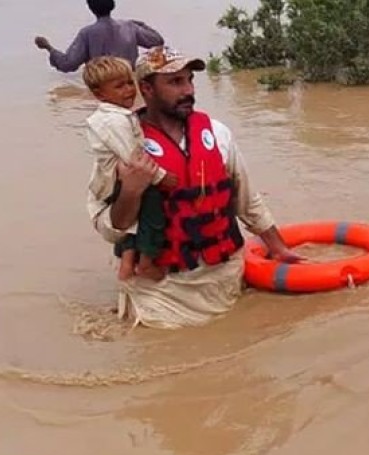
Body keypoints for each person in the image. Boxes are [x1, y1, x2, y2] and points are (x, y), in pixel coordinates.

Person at [86, 46, 301, 329]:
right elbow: (110, 228)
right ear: (146, 89)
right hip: (162, 294)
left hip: (224, 279)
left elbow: (246, 201)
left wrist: (277, 247)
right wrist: (131, 190)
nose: (188, 90)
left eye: (189, 80)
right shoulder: (122, 146)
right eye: (175, 82)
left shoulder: (217, 134)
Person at [82, 56, 174, 281]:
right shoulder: (113, 122)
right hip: (118, 181)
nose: (128, 90)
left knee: (134, 217)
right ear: (100, 94)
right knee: (152, 211)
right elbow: (134, 157)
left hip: (114, 180)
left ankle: (126, 264)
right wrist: (162, 177)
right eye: (119, 86)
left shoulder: (117, 116)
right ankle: (147, 263)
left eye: (129, 83)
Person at [35, 0, 165, 73]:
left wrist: (48, 47)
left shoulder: (87, 33)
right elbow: (157, 41)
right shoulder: (129, 26)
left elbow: (68, 64)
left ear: (91, 8)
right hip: (128, 81)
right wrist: (139, 23)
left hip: (103, 85)